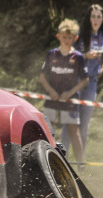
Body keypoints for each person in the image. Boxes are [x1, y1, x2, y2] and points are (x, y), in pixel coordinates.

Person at [39, 19, 89, 167]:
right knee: (48, 129)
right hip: (52, 98)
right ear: (58, 36)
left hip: (70, 99)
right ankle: (45, 160)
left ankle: (82, 165)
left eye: (70, 37)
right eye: (64, 37)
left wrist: (70, 92)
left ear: (75, 38)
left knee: (74, 131)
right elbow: (42, 76)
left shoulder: (78, 57)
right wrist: (50, 91)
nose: (67, 40)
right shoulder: (51, 54)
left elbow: (85, 80)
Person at [61, 4, 103, 152]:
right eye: (93, 16)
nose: (96, 19)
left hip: (92, 82)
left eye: (99, 16)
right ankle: (63, 156)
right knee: (70, 120)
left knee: (85, 122)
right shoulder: (81, 34)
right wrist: (85, 56)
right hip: (76, 80)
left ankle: (80, 164)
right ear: (89, 18)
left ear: (102, 19)